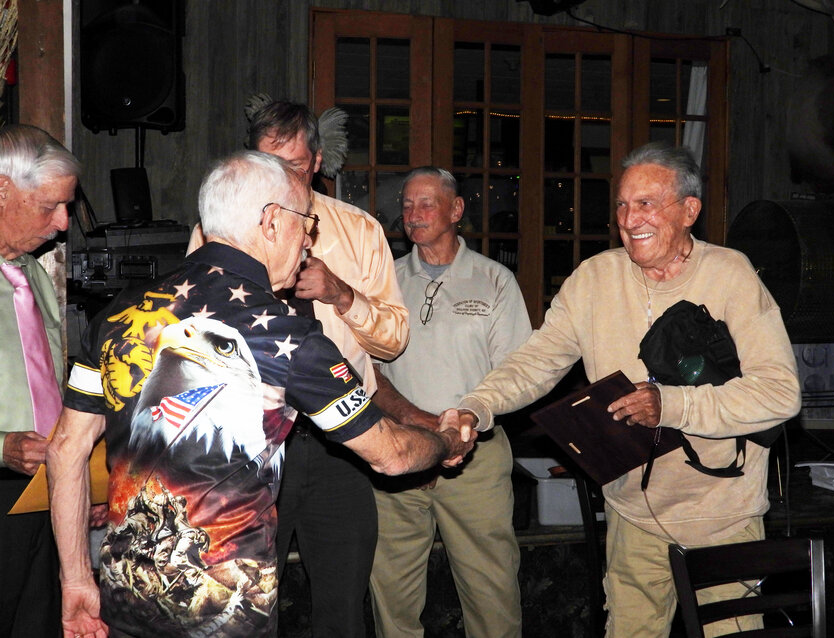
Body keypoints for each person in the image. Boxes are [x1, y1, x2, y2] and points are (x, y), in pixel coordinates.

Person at [46, 151, 474, 638]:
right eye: (306, 225)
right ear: (272, 221)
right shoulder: (287, 335)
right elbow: (392, 455)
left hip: (124, 604)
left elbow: (65, 448)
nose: (309, 242)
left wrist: (76, 578)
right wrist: (444, 442)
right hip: (227, 615)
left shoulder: (119, 314)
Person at [451, 142, 802, 638]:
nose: (629, 217)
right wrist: (478, 405)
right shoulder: (595, 278)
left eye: (646, 203)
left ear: (690, 210)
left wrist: (671, 404)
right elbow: (537, 359)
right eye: (621, 203)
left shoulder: (731, 274)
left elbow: (780, 394)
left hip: (722, 519)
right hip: (634, 517)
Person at [190, 97, 410, 637]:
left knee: (342, 602)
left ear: (314, 160)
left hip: (342, 444)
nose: (277, 178)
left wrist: (342, 295)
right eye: (265, 163)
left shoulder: (359, 230)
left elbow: (393, 343)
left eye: (289, 165)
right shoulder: (217, 231)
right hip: (249, 446)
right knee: (236, 602)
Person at [369, 167, 531, 638]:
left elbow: (515, 372)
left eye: (426, 204)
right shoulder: (386, 282)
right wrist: (415, 429)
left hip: (475, 455)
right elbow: (367, 370)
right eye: (406, 206)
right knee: (392, 596)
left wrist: (462, 427)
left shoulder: (494, 279)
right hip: (397, 452)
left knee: (492, 592)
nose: (413, 215)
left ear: (456, 210)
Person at [0, 124, 79, 638]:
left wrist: (80, 484)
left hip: (43, 491)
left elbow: (53, 383)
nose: (63, 222)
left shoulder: (33, 275)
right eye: (49, 205)